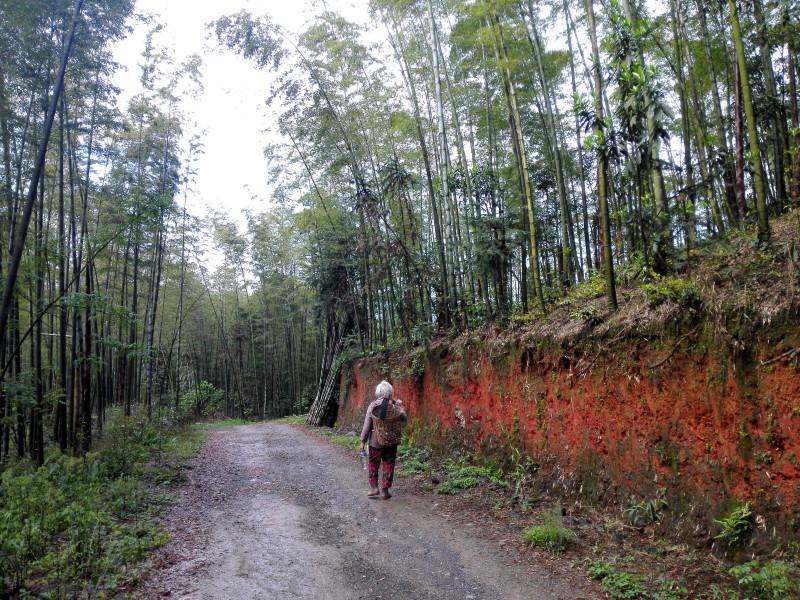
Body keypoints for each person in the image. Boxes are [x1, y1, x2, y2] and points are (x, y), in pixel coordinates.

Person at [359, 380, 407, 499]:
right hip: (391, 441)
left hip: (376, 442)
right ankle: (385, 490)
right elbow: (404, 418)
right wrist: (401, 406)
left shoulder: (373, 406)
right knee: (388, 464)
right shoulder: (395, 406)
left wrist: (362, 441)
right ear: (390, 392)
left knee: (373, 464)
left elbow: (367, 425)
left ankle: (374, 488)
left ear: (378, 392)